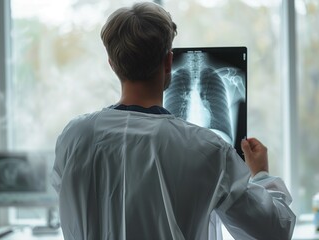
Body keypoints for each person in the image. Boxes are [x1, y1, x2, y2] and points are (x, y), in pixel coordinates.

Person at [51, 2, 296, 240]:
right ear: (168, 61)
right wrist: (261, 174)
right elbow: (274, 231)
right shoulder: (207, 149)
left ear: (112, 64)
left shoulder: (74, 138)